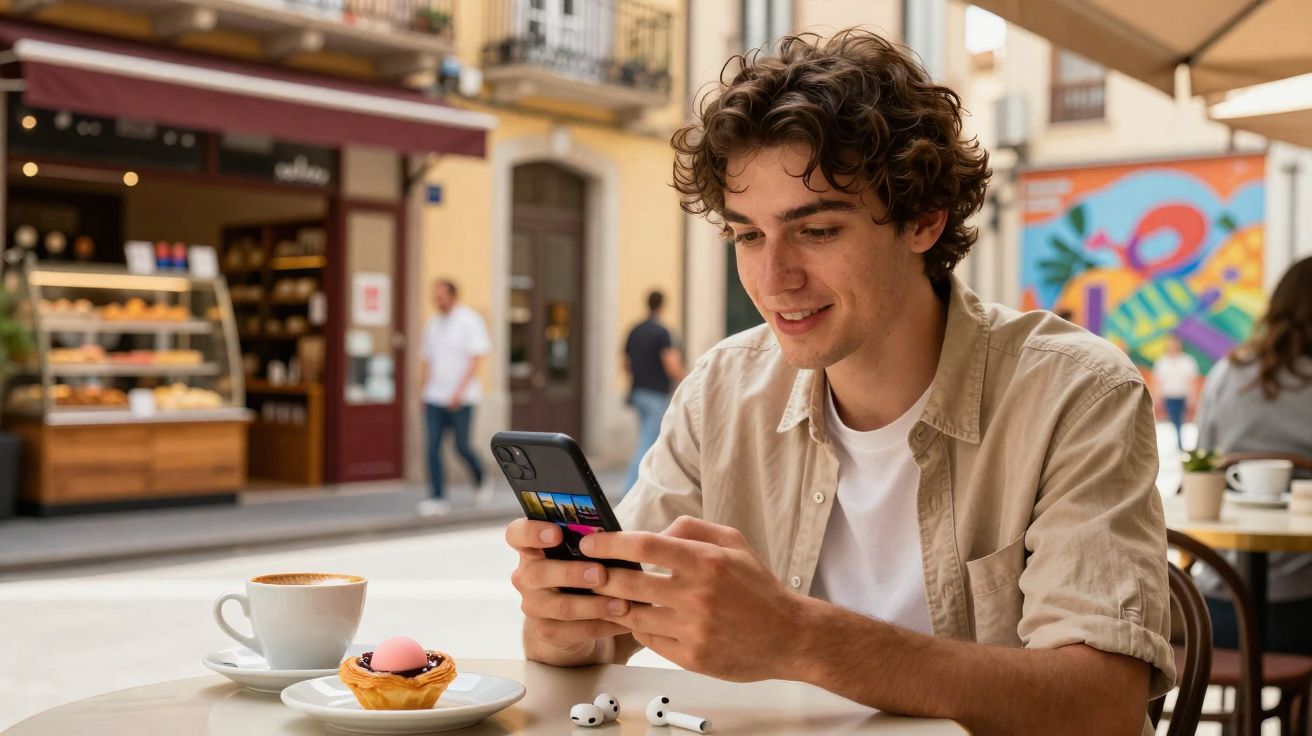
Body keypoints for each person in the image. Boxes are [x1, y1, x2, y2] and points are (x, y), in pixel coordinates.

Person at [505, 30, 1172, 735]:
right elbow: (610, 627)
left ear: (923, 219)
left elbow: (1104, 702)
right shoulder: (723, 390)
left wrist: (798, 637)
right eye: (748, 236)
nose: (773, 280)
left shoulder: (1076, 393)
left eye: (816, 230)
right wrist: (565, 624)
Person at [1195, 256, 1312, 655]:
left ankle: (1241, 718)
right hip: (1302, 612)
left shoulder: (1228, 374)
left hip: (1217, 609)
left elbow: (1202, 467)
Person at [418, 279, 492, 516]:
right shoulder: (432, 325)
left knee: (461, 446)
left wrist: (458, 392)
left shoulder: (469, 321)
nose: (436, 301)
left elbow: (475, 359)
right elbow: (428, 361)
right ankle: (437, 496)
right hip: (434, 397)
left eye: (440, 296)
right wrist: (424, 390)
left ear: (452, 295)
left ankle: (481, 478)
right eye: (434, 297)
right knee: (432, 447)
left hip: (463, 398)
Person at [622, 290, 685, 492]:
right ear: (662, 306)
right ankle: (632, 490)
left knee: (645, 439)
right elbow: (671, 364)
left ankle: (640, 488)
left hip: (638, 392)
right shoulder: (662, 332)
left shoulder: (635, 330)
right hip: (655, 394)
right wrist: (690, 379)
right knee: (648, 444)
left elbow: (625, 363)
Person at [1152, 335, 1199, 450]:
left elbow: (1191, 381)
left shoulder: (1187, 361)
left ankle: (1180, 443)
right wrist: (1157, 397)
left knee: (1180, 420)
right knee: (1175, 420)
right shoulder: (1162, 362)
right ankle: (1178, 443)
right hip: (1169, 396)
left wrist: (1192, 397)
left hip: (1182, 396)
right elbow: (1158, 381)